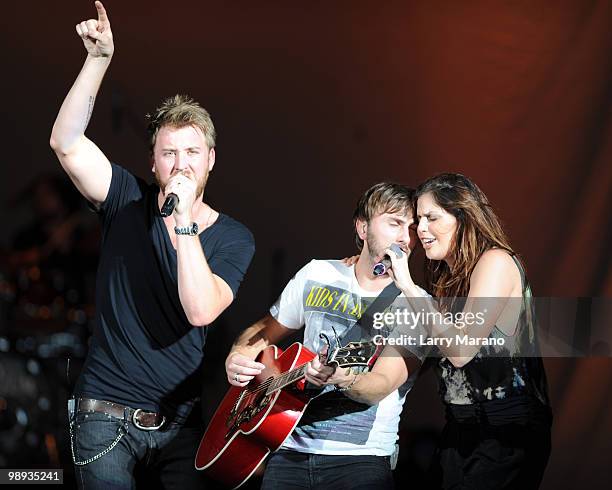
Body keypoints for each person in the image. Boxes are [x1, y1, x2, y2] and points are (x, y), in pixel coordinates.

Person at [49, 2, 255, 489]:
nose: (180, 164)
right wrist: (97, 60)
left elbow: (201, 310)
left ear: (210, 161)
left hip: (180, 427)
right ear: (154, 162)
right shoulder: (125, 199)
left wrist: (182, 223)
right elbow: (66, 142)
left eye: (191, 153)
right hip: (104, 414)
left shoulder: (233, 236)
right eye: (169, 153)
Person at [226, 182, 428, 490]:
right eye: (395, 223)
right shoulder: (317, 274)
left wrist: (340, 376)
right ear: (363, 228)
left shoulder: (416, 304)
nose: (406, 238)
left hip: (360, 462)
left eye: (412, 228)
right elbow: (264, 329)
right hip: (287, 450)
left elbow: (382, 384)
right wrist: (238, 354)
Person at [368, 173, 552, 489]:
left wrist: (409, 288)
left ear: (462, 217)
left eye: (431, 218)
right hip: (460, 428)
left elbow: (461, 350)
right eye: (417, 221)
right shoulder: (449, 281)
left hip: (504, 433)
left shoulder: (495, 261)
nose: (420, 229)